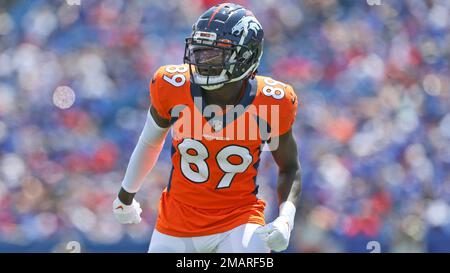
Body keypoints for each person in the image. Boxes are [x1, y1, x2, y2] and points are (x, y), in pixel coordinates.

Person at [112, 3, 302, 253]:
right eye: (200, 51)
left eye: (215, 53)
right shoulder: (171, 85)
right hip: (176, 221)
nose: (203, 60)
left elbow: (289, 168)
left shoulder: (273, 101)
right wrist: (126, 195)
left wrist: (285, 220)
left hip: (239, 220)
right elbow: (150, 142)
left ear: (245, 56)